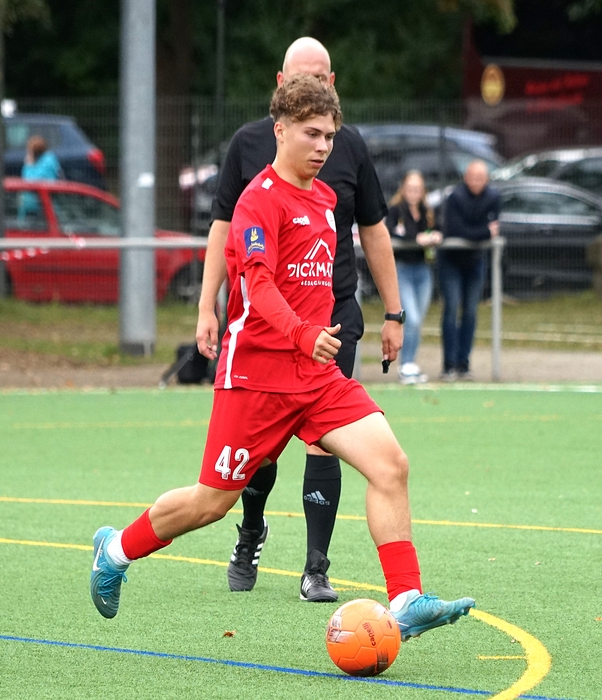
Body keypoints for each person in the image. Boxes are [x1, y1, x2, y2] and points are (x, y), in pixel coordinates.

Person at [90, 75, 474, 642]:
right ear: (280, 130)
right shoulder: (258, 201)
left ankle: (406, 598)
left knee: (390, 465)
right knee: (211, 503)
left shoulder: (326, 200)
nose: (323, 146)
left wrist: (340, 331)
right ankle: (116, 551)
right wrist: (300, 334)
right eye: (311, 134)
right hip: (256, 379)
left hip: (315, 376)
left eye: (330, 136)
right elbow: (259, 285)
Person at [195, 37, 404, 602]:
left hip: (332, 320)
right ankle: (250, 529)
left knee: (331, 446)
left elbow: (374, 229)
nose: (322, 144)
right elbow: (225, 230)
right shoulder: (250, 148)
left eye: (320, 76)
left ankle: (317, 566)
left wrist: (394, 311)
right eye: (298, 77)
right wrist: (207, 304)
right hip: (268, 333)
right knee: (256, 458)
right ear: (280, 86)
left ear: (332, 82)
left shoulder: (347, 146)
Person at [438, 160, 500, 382]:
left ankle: (464, 364)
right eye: (472, 177)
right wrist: (484, 232)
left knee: (471, 312)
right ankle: (449, 365)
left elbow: (496, 227)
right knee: (451, 309)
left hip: (475, 262)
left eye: (480, 178)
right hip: (451, 262)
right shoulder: (455, 197)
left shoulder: (494, 197)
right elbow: (455, 229)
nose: (476, 182)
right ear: (466, 177)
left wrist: (480, 232)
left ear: (487, 179)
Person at [385, 170, 441, 384]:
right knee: (411, 318)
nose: (413, 193)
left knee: (418, 321)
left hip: (423, 270)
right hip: (403, 270)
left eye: (417, 189)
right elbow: (391, 232)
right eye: (410, 189)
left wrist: (436, 235)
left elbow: (438, 228)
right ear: (403, 189)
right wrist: (416, 238)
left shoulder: (427, 211)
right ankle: (405, 364)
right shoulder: (396, 210)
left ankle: (411, 363)